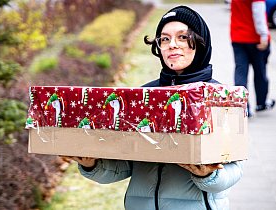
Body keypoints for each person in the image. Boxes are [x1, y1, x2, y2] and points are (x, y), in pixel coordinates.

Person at [69, 5, 243, 210]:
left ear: (200, 42)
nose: (172, 45)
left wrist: (208, 174)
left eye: (183, 37)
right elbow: (126, 164)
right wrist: (92, 164)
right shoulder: (144, 96)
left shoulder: (221, 97)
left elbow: (234, 171)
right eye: (165, 39)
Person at [230, 0, 275, 116]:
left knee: (240, 72)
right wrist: (264, 35)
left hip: (238, 37)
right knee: (260, 71)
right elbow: (258, 13)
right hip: (255, 39)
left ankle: (243, 107)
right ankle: (261, 103)